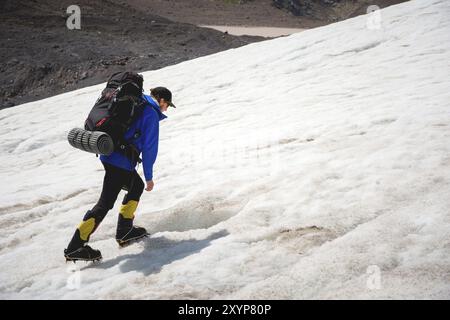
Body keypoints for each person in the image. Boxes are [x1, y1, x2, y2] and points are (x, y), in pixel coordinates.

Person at [64, 87, 176, 262]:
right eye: (167, 104)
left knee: (135, 186)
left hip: (111, 155)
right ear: (161, 100)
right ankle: (75, 247)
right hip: (121, 162)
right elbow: (150, 148)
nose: (166, 108)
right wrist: (149, 177)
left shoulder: (137, 102)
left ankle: (125, 230)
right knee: (105, 203)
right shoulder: (150, 113)